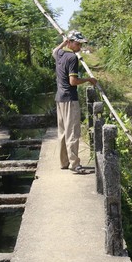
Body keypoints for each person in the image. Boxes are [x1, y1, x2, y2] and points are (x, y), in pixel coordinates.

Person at [52, 30, 97, 173]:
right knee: (72, 132)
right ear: (70, 43)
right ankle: (75, 164)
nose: (79, 47)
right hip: (70, 99)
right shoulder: (72, 58)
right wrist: (88, 80)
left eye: (80, 44)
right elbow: (73, 81)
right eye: (77, 44)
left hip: (59, 98)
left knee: (63, 132)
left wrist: (63, 43)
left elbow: (54, 50)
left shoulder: (60, 54)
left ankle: (64, 162)